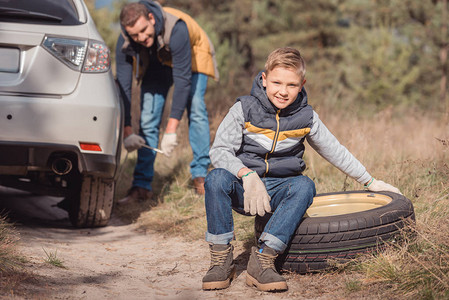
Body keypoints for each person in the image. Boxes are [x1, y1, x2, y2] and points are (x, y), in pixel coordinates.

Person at [201, 47, 402, 292]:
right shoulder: (244, 109)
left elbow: (334, 150)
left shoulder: (306, 117)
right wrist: (247, 175)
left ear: (302, 84)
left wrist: (370, 182)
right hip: (244, 187)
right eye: (276, 82)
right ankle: (221, 260)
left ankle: (263, 260)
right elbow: (219, 152)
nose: (283, 91)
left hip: (278, 189)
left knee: (305, 185)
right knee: (215, 178)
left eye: (292, 85)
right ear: (264, 79)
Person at [116, 0, 219, 203]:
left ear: (151, 19)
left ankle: (201, 176)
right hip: (156, 62)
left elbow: (182, 82)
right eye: (135, 35)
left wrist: (171, 130)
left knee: (196, 106)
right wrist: (127, 130)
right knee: (148, 118)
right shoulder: (126, 39)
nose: (141, 38)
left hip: (192, 54)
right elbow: (124, 87)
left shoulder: (177, 28)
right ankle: (142, 186)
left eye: (144, 30)